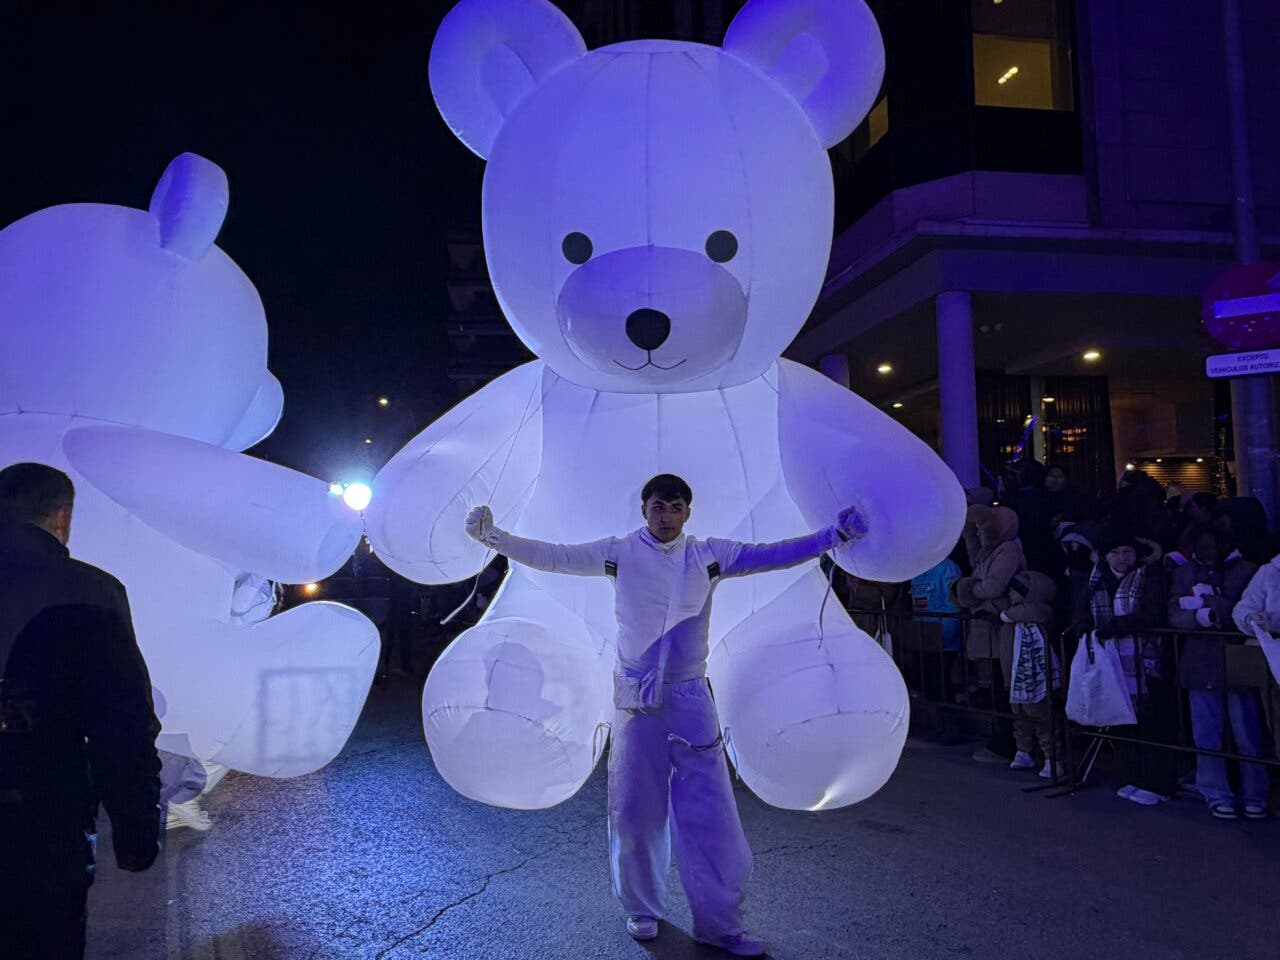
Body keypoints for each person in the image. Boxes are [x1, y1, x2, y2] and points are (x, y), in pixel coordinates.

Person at [464, 473, 867, 958]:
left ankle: (720, 924)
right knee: (635, 809)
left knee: (711, 811)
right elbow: (554, 555)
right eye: (659, 507)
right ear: (644, 509)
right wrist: (494, 538)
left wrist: (833, 537)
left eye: (676, 508)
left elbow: (774, 553)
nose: (666, 517)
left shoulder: (709, 554)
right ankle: (642, 908)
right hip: (636, 701)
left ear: (688, 513)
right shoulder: (618, 552)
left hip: (691, 696)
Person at [0, 463, 162, 959]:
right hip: (43, 822)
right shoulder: (90, 592)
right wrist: (136, 832)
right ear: (62, 517)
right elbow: (123, 726)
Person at [1069, 527, 1174, 806]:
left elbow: (1150, 613)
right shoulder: (1094, 580)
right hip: (1110, 659)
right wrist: (1084, 627)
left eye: (1127, 551)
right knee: (1119, 718)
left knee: (1150, 722)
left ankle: (1157, 781)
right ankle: (1132, 775)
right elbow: (1080, 609)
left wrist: (1112, 627)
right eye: (1114, 552)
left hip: (1144, 658)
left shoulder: (1149, 576)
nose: (1121, 558)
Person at [1169, 529, 1267, 820]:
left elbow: (1246, 609)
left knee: (1247, 732)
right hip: (1200, 657)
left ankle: (1255, 792)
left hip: (1238, 659)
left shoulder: (1248, 571)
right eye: (1202, 546)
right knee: (1206, 732)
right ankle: (1215, 791)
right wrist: (1196, 616)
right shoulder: (1185, 572)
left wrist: (1208, 604)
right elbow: (1173, 612)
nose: (1207, 551)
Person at [954, 504, 1025, 762]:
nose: (979, 533)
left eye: (983, 528)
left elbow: (994, 586)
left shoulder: (1008, 550)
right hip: (986, 625)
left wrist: (966, 589)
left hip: (998, 625)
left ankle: (1007, 744)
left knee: (1002, 686)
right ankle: (1001, 739)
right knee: (993, 685)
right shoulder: (987, 554)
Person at [1001, 572, 1062, 779]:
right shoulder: (1012, 617)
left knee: (1042, 716)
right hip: (1016, 676)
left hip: (1037, 677)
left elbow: (1033, 612)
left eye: (1015, 590)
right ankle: (1023, 750)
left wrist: (1007, 613)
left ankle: (1052, 757)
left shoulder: (1040, 611)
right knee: (1020, 716)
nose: (1010, 594)